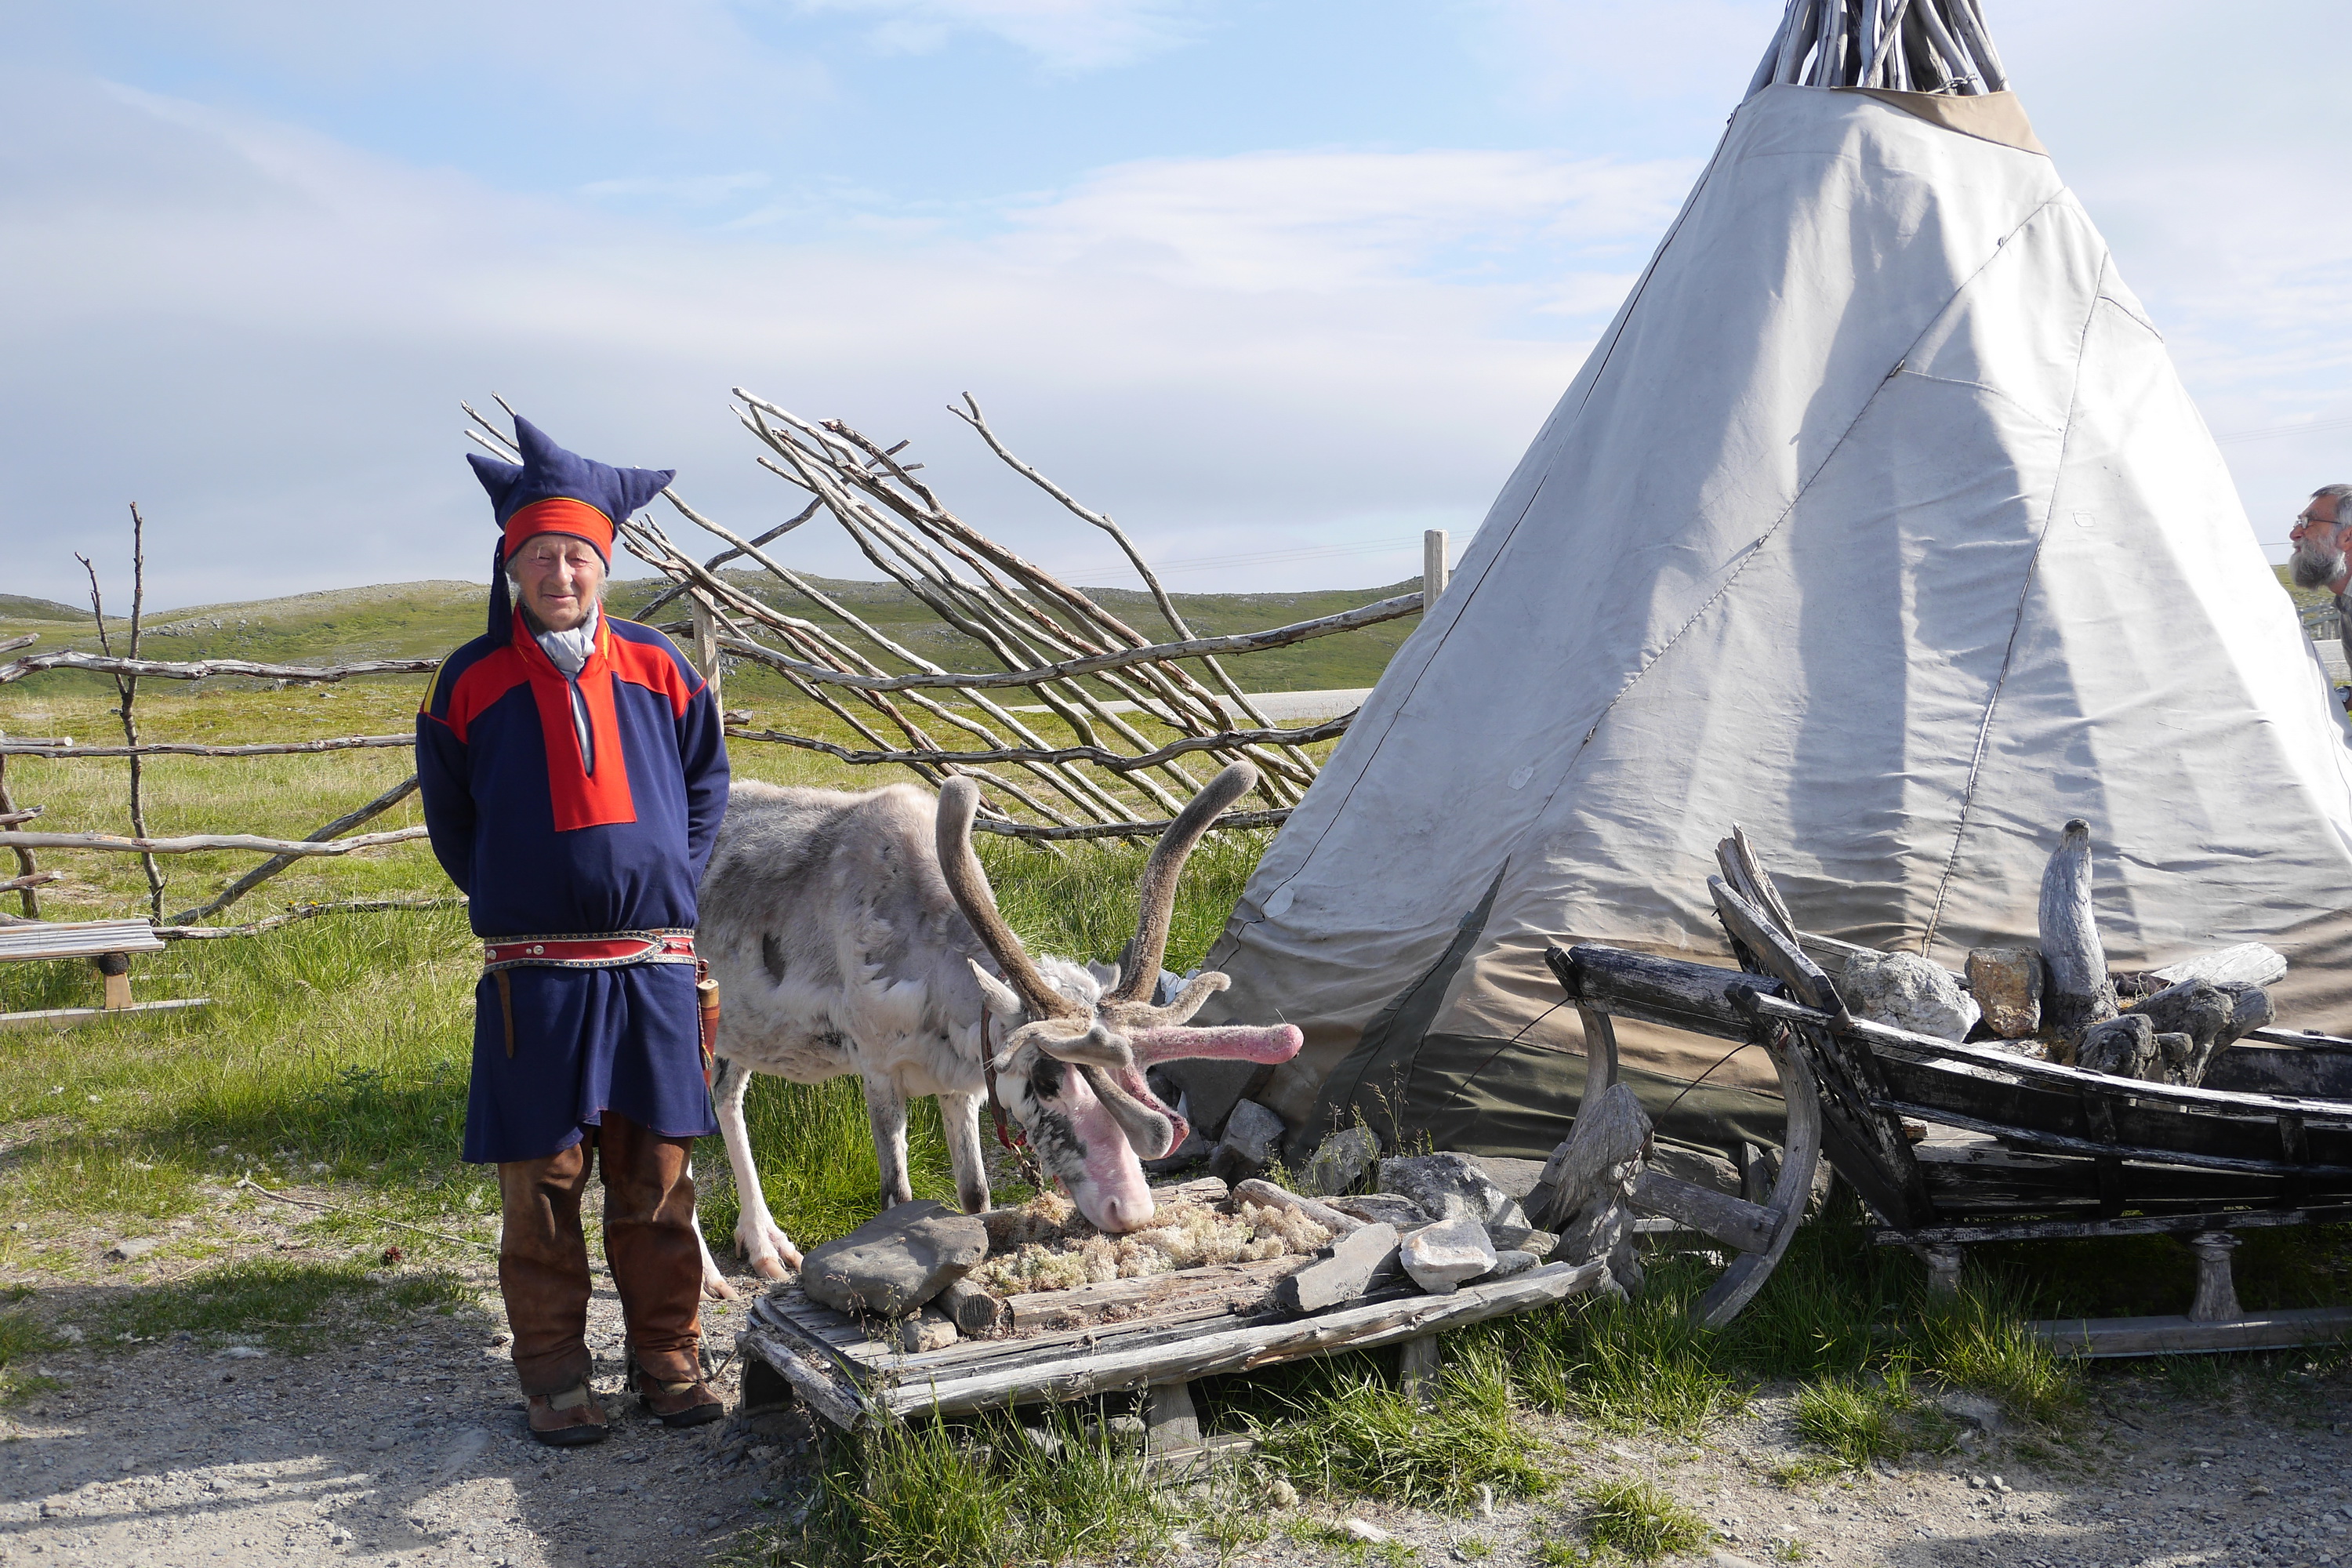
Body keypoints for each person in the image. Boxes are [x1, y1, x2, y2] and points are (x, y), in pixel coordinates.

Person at [416, 416, 731, 1446]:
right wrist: (522, 886)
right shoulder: (468, 681)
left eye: (577, 556)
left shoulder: (662, 668)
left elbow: (704, 783)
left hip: (653, 970)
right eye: (540, 555)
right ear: (512, 565)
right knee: (544, 1185)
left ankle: (668, 1360)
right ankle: (553, 1377)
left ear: (606, 564)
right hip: (537, 979)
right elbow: (452, 819)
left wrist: (668, 877)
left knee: (658, 1180)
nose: (560, 572)